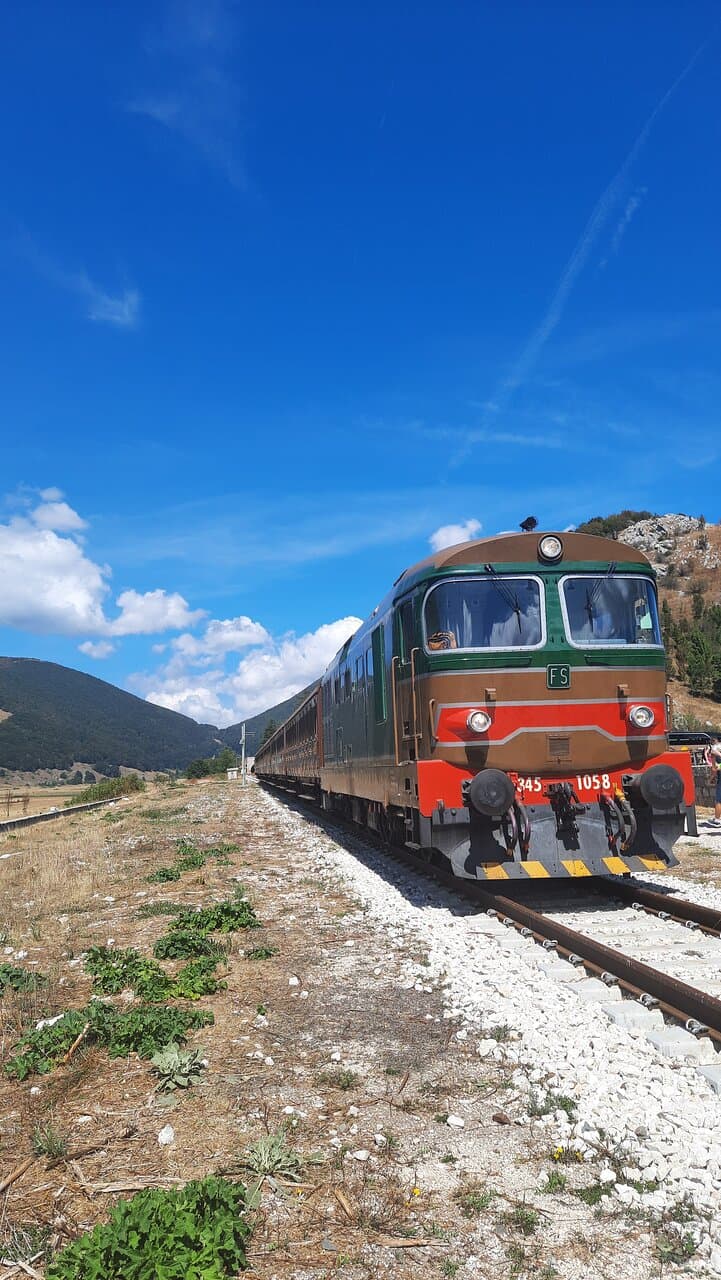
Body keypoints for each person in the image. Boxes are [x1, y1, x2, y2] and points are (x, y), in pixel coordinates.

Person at [707, 740, 721, 827]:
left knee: (719, 799)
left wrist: (711, 778)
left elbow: (714, 769)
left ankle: (717, 820)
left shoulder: (715, 750)